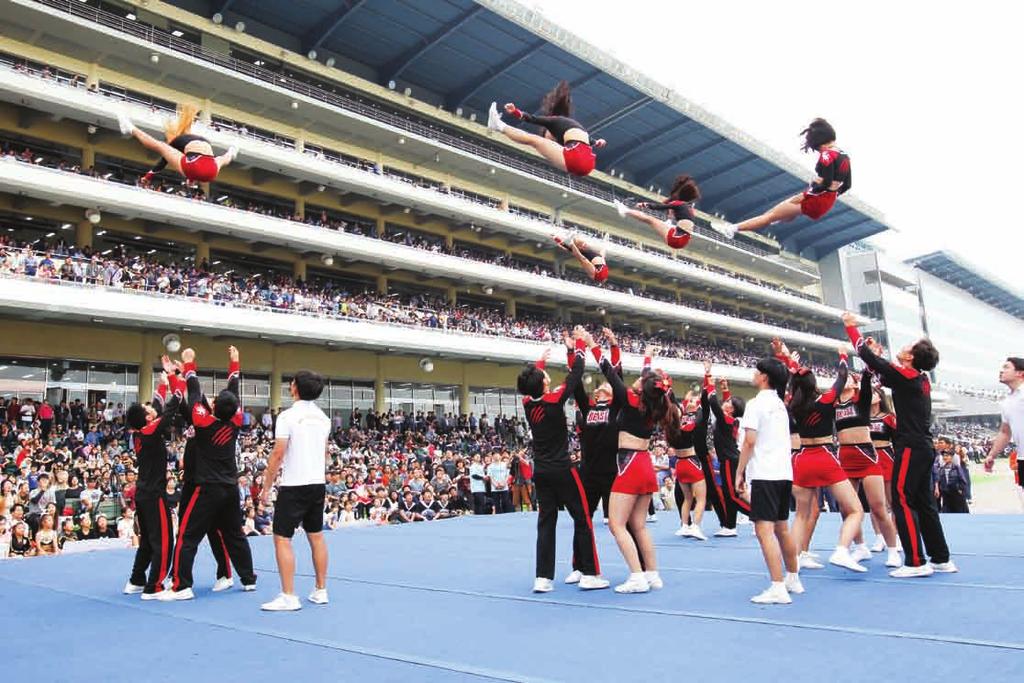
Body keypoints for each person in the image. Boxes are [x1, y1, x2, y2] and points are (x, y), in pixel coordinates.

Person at [843, 311, 955, 577]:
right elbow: (878, 370)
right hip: (922, 446)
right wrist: (876, 361)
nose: (903, 347)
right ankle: (940, 558)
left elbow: (870, 360)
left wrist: (851, 328)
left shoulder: (907, 376)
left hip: (911, 446)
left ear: (910, 357)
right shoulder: (917, 378)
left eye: (908, 347)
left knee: (902, 500)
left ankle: (915, 562)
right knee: (924, 503)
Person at [163, 346, 256, 601]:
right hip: (228, 487)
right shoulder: (235, 421)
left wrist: (190, 365)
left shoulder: (205, 423)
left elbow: (193, 396)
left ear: (213, 407)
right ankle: (248, 579)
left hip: (207, 487)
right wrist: (234, 363)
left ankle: (181, 586)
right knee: (235, 534)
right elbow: (228, 393)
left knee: (187, 534)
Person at [519, 328, 607, 593]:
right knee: (582, 518)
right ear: (545, 384)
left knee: (546, 522)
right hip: (563, 469)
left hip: (541, 471)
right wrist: (578, 345)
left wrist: (540, 362)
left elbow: (529, 385)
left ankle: (543, 578)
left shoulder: (527, 403)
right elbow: (576, 374)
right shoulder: (554, 399)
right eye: (544, 375)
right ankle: (590, 573)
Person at [779, 345, 867, 572]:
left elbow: (795, 384)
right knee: (855, 510)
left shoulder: (793, 405)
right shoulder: (826, 400)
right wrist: (842, 357)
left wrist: (791, 365)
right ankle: (841, 550)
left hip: (802, 459)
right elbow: (842, 376)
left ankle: (794, 562)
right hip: (825, 457)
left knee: (800, 514)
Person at [592, 342, 667, 593]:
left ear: (641, 387)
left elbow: (609, 372)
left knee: (616, 524)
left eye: (640, 378)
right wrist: (647, 358)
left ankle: (636, 576)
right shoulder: (652, 403)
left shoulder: (631, 399)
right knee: (639, 525)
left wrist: (593, 345)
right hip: (644, 462)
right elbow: (648, 380)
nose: (636, 379)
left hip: (630, 463)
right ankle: (652, 573)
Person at [260, 370, 332, 612]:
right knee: (316, 536)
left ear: (295, 388)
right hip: (317, 482)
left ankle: (289, 596)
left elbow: (278, 453)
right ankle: (320, 590)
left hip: (294, 484)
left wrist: (266, 486)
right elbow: (322, 452)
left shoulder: (287, 417)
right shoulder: (323, 418)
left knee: (282, 537)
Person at [711, 119, 851, 238]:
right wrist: (830, 193)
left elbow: (825, 182)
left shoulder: (827, 155)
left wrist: (815, 183)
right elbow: (847, 185)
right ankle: (784, 216)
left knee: (769, 216)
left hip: (817, 198)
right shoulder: (844, 156)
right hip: (826, 198)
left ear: (820, 141)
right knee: (780, 210)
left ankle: (731, 230)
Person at [735, 357, 801, 604]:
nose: (753, 373)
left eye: (757, 371)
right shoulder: (780, 405)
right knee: (782, 528)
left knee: (764, 530)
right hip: (783, 472)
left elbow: (749, 441)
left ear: (764, 377)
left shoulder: (755, 404)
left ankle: (777, 586)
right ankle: (792, 578)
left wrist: (739, 471)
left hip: (764, 473)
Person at [123, 361, 183, 600]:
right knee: (165, 540)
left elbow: (159, 403)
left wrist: (163, 378)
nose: (151, 407)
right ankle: (154, 586)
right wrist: (176, 376)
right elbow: (172, 405)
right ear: (147, 418)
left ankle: (136, 580)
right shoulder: (150, 431)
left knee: (148, 540)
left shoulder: (142, 431)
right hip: (154, 494)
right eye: (147, 409)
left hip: (143, 493)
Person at [834, 367, 902, 568]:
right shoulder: (834, 405)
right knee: (846, 508)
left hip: (866, 456)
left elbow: (866, 379)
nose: (845, 380)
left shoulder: (861, 401)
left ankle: (892, 548)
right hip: (845, 458)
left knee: (878, 507)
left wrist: (866, 362)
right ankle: (860, 546)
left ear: (855, 384)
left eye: (849, 378)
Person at [487, 80, 606, 177]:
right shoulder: (575, 132)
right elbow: (594, 142)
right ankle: (498, 125)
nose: (549, 141)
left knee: (533, 140)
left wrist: (516, 112)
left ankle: (498, 125)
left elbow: (532, 119)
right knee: (540, 143)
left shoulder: (554, 121)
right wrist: (599, 142)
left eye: (547, 136)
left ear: (550, 131)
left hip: (577, 159)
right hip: (588, 164)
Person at [117, 102, 237, 184]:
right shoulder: (179, 141)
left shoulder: (181, 142)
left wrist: (149, 175)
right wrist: (149, 175)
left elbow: (167, 160)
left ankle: (231, 152)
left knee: (221, 160)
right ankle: (130, 128)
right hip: (207, 167)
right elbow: (164, 160)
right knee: (160, 146)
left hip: (208, 168)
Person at [705, 369, 750, 536]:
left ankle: (759, 517)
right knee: (727, 493)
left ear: (732, 409)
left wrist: (709, 382)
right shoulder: (730, 419)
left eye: (729, 402)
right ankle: (730, 527)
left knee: (733, 495)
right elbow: (723, 405)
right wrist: (725, 388)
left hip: (730, 461)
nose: (726, 402)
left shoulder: (726, 419)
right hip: (729, 460)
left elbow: (714, 403)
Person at [665, 389, 708, 540]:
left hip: (679, 464)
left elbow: (676, 403)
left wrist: (670, 392)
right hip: (691, 461)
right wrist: (699, 403)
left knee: (687, 498)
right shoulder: (690, 423)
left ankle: (684, 526)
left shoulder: (672, 426)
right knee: (701, 498)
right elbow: (700, 415)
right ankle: (695, 527)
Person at [615, 174, 699, 250]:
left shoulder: (678, 204)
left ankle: (625, 210)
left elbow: (659, 207)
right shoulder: (689, 209)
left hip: (675, 239)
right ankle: (669, 222)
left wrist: (644, 204)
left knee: (650, 220)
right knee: (671, 212)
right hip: (682, 240)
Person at [985, 358, 1024, 488]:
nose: (1001, 370)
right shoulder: (1007, 402)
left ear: (1020, 373)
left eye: (1007, 367)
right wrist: (991, 455)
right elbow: (1005, 432)